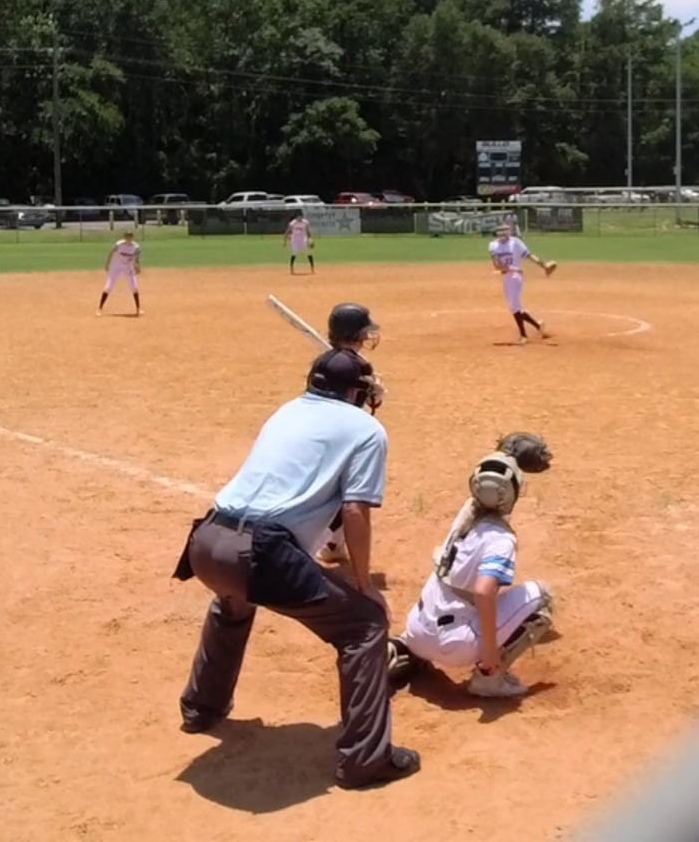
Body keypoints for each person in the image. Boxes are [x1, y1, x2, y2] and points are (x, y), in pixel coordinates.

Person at [170, 325, 418, 790]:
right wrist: (364, 585)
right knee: (364, 625)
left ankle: (201, 708)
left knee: (233, 601)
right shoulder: (367, 429)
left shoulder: (286, 410)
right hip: (259, 551)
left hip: (206, 539)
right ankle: (366, 759)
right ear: (356, 392)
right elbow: (355, 510)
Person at [389, 433, 557, 699]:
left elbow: (488, 482)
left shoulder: (465, 513)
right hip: (454, 645)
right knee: (542, 597)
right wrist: (489, 653)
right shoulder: (501, 539)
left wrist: (505, 455)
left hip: (416, 630)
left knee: (450, 588)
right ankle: (488, 678)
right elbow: (483, 591)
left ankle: (403, 650)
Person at [312, 303, 385, 567]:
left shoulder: (324, 362)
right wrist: (374, 392)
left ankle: (333, 545)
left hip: (317, 434)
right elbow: (353, 409)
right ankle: (316, 545)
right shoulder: (356, 367)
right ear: (356, 334)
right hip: (341, 440)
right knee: (347, 494)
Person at [488, 222, 555, 344]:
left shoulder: (515, 242)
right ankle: (538, 326)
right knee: (515, 307)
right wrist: (512, 268)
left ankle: (524, 335)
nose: (503, 234)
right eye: (501, 231)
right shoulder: (493, 245)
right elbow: (497, 265)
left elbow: (529, 256)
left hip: (515, 278)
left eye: (505, 231)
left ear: (509, 232)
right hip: (507, 277)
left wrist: (543, 265)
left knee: (514, 307)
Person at [97, 230, 141, 316]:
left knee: (134, 287)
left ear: (132, 237)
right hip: (116, 266)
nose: (128, 238)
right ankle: (100, 308)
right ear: (124, 237)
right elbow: (111, 253)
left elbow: (136, 258)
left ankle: (138, 309)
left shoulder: (136, 247)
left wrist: (138, 266)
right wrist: (107, 264)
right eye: (127, 236)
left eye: (130, 236)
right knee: (109, 286)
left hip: (128, 267)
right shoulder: (119, 244)